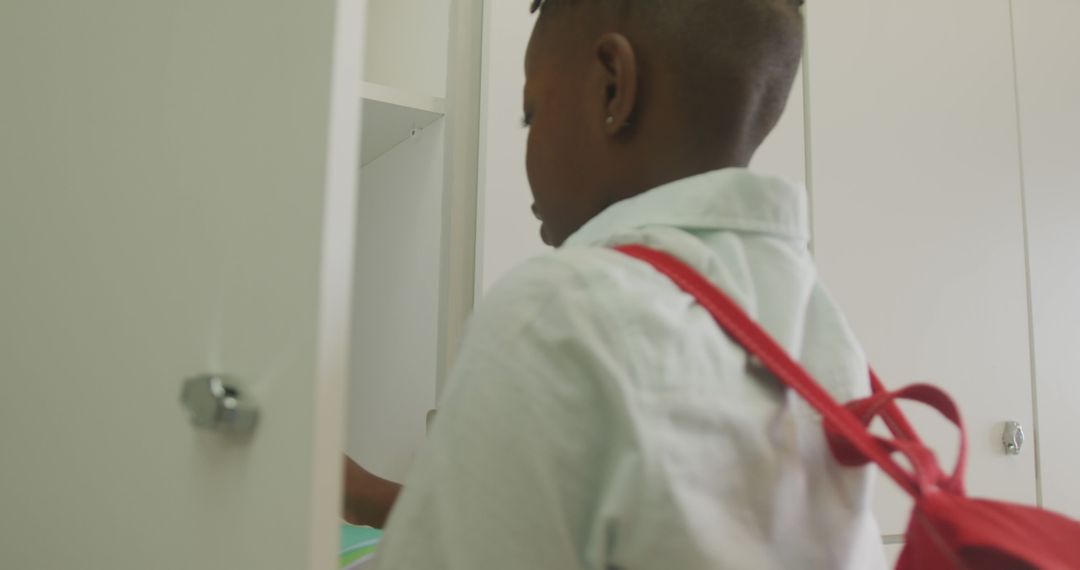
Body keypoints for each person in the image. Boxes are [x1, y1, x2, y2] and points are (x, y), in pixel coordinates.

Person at [346, 0, 887, 567]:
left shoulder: (561, 311)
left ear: (612, 89)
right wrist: (365, 497)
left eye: (531, 114)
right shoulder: (816, 333)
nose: (527, 145)